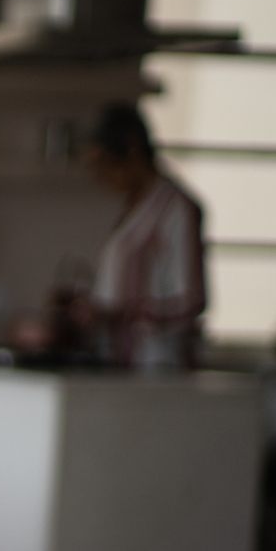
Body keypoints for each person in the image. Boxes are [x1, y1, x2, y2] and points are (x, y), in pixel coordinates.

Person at [81, 102, 208, 372]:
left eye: (105, 165)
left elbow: (191, 298)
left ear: (132, 150)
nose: (102, 178)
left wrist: (129, 314)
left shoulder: (176, 209)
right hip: (118, 361)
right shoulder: (134, 208)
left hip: (156, 366)